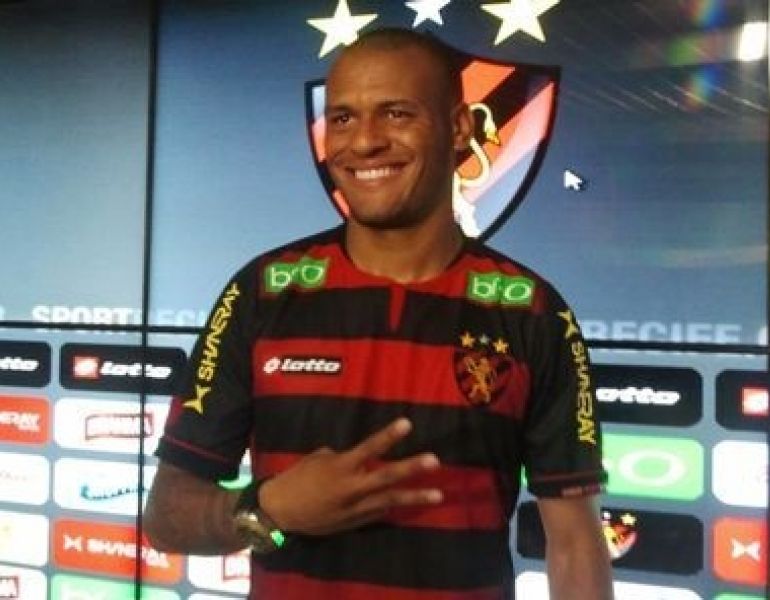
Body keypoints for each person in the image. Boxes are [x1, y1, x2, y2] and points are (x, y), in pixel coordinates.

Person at [144, 27, 612, 600]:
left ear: (460, 128)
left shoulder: (535, 312)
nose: (363, 142)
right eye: (342, 118)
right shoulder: (261, 293)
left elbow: (574, 542)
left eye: (396, 113)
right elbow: (165, 517)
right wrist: (270, 508)